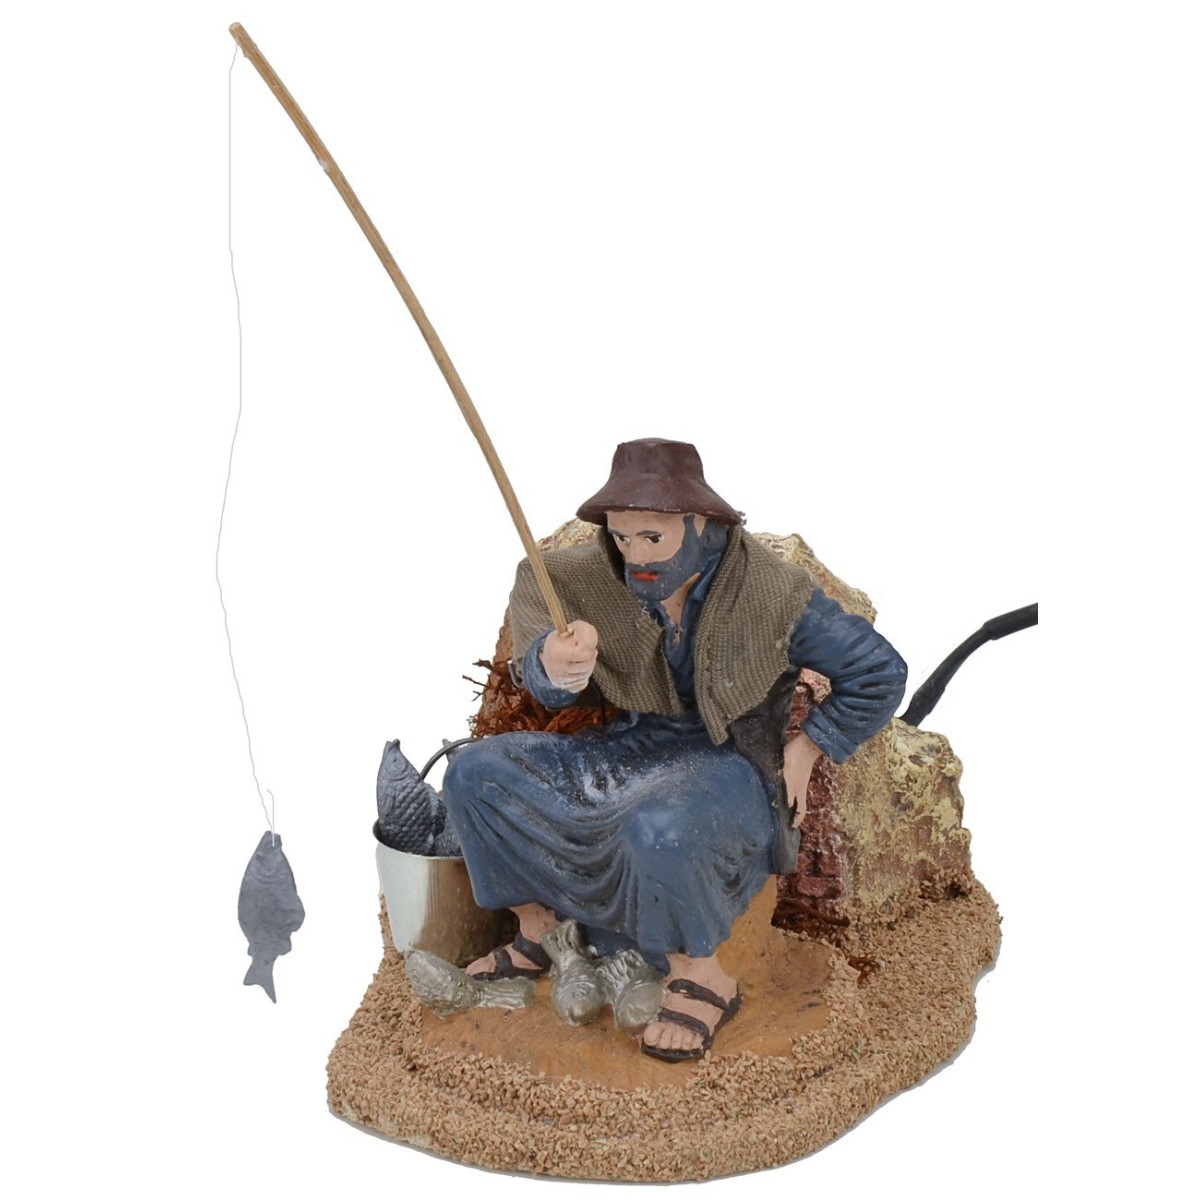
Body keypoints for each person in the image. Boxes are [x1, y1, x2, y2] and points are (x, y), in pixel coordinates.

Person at [441, 439, 907, 1061]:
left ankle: (701, 976)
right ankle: (542, 934)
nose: (634, 554)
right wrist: (552, 665)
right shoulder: (586, 579)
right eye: (621, 536)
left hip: (729, 764)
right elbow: (541, 675)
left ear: (700, 523)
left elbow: (879, 672)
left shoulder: (770, 592)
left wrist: (808, 748)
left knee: (658, 827)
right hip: (627, 749)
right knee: (475, 773)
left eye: (651, 537)